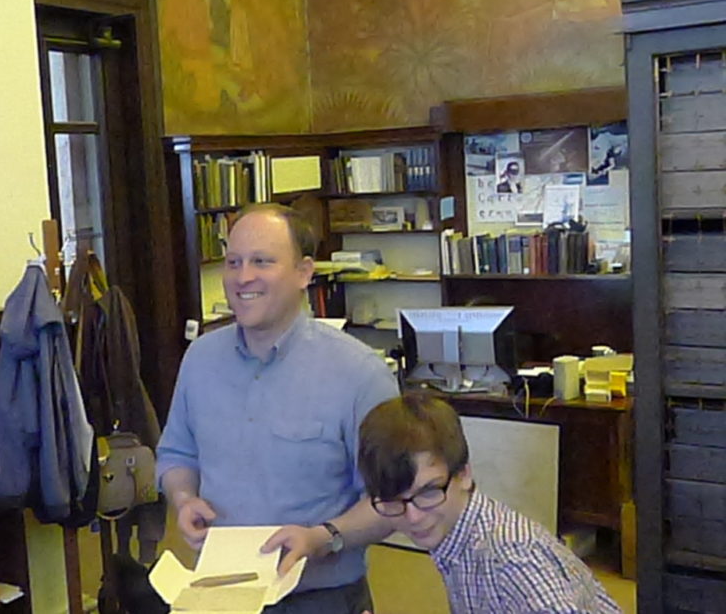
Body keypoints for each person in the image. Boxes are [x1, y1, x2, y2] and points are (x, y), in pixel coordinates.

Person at [157, 203, 398, 613]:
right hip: (218, 592)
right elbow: (177, 454)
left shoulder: (360, 374)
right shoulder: (199, 360)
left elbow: (391, 501)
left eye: (262, 262)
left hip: (322, 598)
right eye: (233, 262)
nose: (243, 277)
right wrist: (183, 499)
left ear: (304, 273)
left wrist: (323, 537)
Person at [358, 393, 621, 613]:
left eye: (428, 491)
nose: (413, 517)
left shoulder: (511, 558)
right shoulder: (457, 541)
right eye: (394, 500)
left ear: (464, 474)